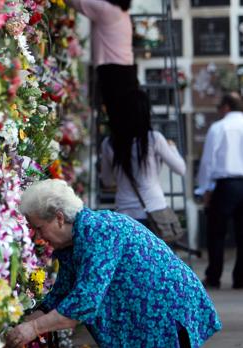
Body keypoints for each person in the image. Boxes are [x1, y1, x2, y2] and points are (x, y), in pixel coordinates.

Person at [5, 179, 221, 348]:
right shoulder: (73, 242)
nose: (38, 238)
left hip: (165, 311)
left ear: (59, 218)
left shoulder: (99, 231)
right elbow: (63, 293)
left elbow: (85, 302)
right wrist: (24, 326)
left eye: (39, 228)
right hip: (146, 316)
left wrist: (33, 328)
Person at [100, 89, 186, 226]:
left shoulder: (108, 144)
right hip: (154, 210)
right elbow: (180, 169)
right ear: (145, 112)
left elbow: (108, 181)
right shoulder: (153, 138)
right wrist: (172, 148)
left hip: (125, 214)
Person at [195, 92, 243, 289]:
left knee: (216, 233)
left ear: (226, 107)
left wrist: (205, 189)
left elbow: (208, 161)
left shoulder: (219, 127)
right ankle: (241, 278)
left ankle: (214, 276)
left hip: (225, 185)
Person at [66, 0, 139, 121]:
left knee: (120, 120)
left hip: (115, 72)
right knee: (124, 120)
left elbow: (74, 2)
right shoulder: (121, 11)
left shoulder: (106, 9)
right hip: (124, 71)